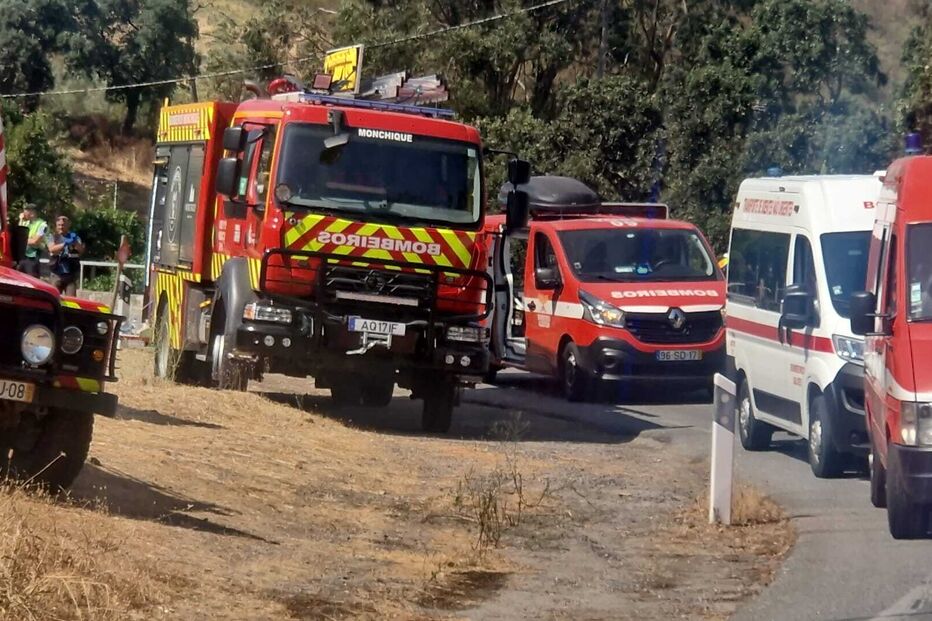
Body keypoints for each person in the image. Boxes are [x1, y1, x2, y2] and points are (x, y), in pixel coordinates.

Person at [47, 215, 84, 296]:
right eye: (59, 225)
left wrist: (75, 242)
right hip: (56, 274)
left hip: (70, 274)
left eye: (63, 225)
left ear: (68, 225)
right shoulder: (52, 236)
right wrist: (64, 244)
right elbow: (52, 249)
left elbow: (81, 251)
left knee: (71, 300)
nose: (61, 227)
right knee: (54, 297)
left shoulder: (75, 237)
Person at [17, 203, 49, 277]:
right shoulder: (25, 223)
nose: (23, 213)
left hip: (33, 257)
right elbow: (17, 237)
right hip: (22, 257)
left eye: (25, 210)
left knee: (31, 279)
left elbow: (35, 241)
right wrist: (21, 220)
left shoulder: (42, 225)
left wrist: (22, 240)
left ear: (32, 212)